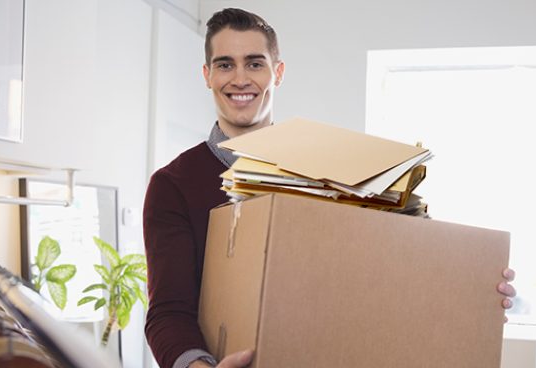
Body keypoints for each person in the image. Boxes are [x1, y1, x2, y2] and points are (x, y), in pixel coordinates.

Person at [143, 8, 516, 368]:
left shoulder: (332, 171)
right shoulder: (173, 185)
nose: (240, 78)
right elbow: (168, 313)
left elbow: (395, 274)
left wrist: (477, 293)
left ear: (279, 72)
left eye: (255, 63)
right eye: (225, 64)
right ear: (207, 75)